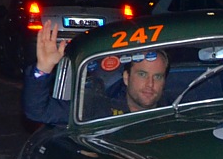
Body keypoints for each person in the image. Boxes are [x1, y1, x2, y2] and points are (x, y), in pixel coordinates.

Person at [22, 20, 169, 124]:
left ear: (164, 82)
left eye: (158, 76)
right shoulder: (99, 108)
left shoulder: (175, 112)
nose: (150, 84)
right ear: (126, 77)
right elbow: (38, 111)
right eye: (142, 74)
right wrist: (42, 70)